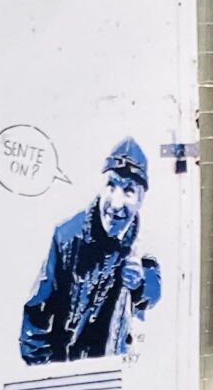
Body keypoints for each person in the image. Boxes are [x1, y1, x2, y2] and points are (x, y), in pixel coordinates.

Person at [18, 138, 161, 366]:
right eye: (111, 186)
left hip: (112, 368)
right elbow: (37, 310)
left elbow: (153, 292)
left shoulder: (141, 244)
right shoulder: (67, 237)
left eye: (128, 191)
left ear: (141, 198)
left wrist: (140, 284)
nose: (116, 203)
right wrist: (43, 371)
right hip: (67, 366)